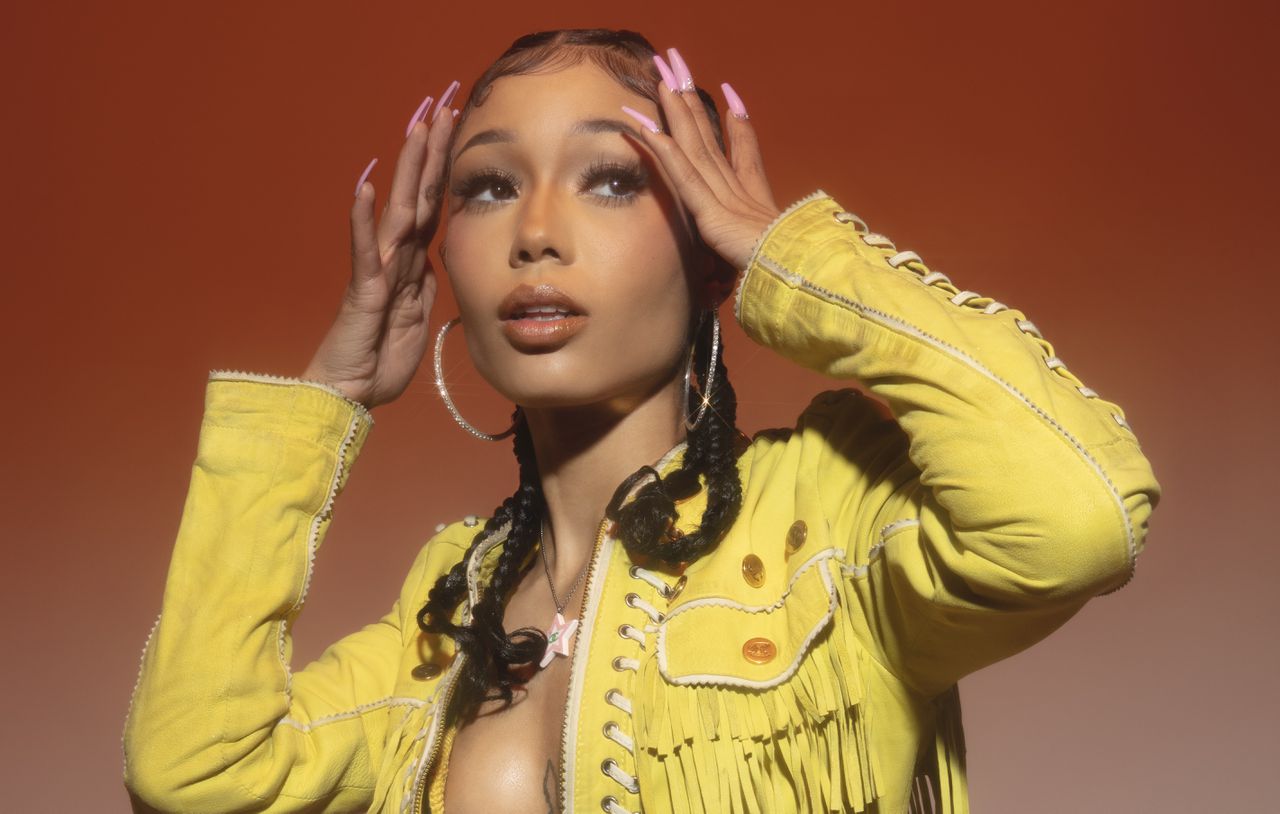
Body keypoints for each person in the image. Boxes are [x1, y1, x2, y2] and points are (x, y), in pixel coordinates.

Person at [121, 27, 1162, 814]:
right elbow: (194, 774)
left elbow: (1076, 519)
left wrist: (793, 261)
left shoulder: (827, 515)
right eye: (488, 188)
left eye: (612, 179)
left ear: (708, 254)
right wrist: (326, 401)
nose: (535, 232)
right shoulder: (453, 607)